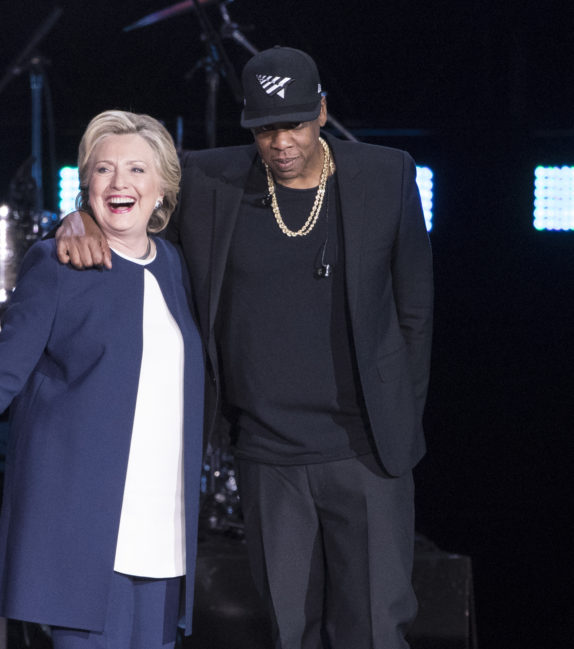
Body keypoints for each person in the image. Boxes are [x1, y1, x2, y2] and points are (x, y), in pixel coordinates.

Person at [56, 47, 433, 649]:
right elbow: (128, 210)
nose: (281, 141)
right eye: (264, 128)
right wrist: (78, 218)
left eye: (295, 124)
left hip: (365, 452)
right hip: (266, 455)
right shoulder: (210, 179)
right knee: (289, 630)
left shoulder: (386, 175)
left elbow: (415, 310)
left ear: (322, 113)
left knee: (375, 632)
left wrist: (398, 417)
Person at [0, 110, 204, 649]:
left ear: (163, 186)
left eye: (138, 170)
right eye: (103, 170)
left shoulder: (173, 265)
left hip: (163, 524)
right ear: (85, 184)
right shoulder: (58, 263)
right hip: (85, 525)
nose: (120, 183)